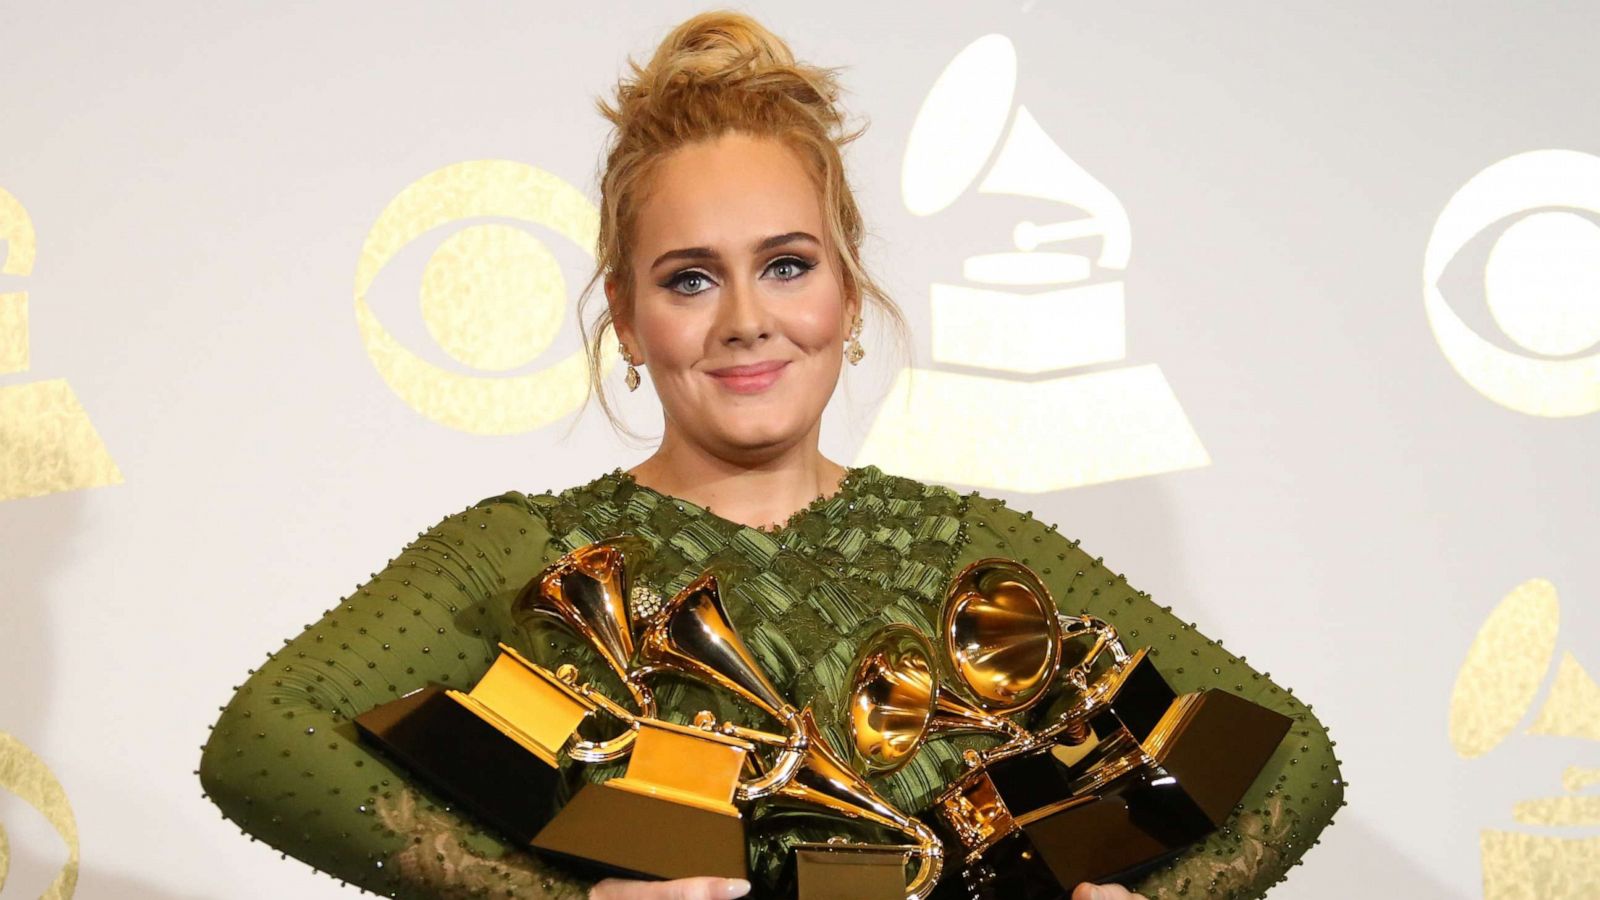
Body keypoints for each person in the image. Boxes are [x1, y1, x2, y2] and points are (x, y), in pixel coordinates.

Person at [198, 11, 1343, 900]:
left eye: (787, 264)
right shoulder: (517, 551)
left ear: (848, 295)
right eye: (689, 277)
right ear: (629, 318)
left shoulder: (969, 545)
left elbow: (1293, 762)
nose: (746, 317)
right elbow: (265, 737)